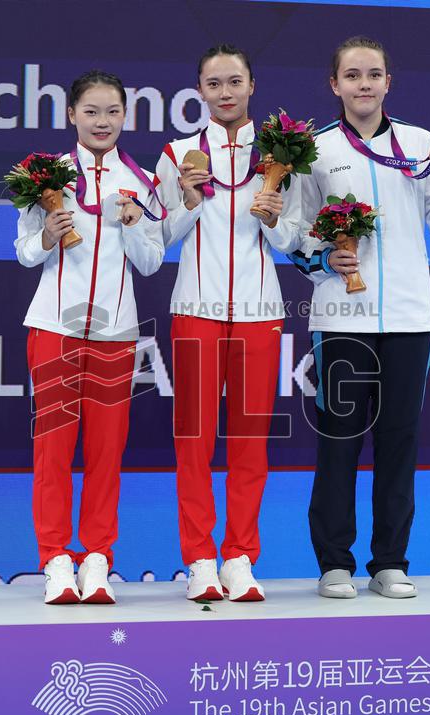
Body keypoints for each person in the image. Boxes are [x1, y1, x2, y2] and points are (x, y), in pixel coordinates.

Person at [288, 36, 430, 599]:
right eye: (352, 75)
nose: (363, 84)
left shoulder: (420, 144)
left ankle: (390, 560)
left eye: (374, 74)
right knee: (339, 440)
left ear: (389, 82)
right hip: (342, 315)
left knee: (399, 440)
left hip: (410, 317)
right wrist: (324, 258)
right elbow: (294, 234)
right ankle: (334, 563)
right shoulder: (314, 151)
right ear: (334, 84)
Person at [15, 70, 165, 605]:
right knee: (53, 450)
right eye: (92, 112)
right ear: (72, 116)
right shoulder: (44, 176)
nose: (102, 122)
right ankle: (55, 559)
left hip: (116, 333)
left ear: (126, 117)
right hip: (54, 327)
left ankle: (97, 558)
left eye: (113, 113)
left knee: (106, 451)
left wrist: (129, 224)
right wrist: (45, 238)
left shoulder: (143, 181)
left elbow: (150, 263)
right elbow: (24, 252)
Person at [154, 44, 297, 602]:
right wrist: (187, 203)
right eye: (213, 84)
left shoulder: (284, 152)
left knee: (249, 440)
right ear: (199, 91)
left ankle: (240, 556)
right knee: (192, 441)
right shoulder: (176, 154)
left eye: (234, 81)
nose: (225, 92)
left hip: (261, 312)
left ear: (252, 86)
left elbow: (297, 236)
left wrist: (277, 219)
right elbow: (160, 236)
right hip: (195, 311)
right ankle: (198, 560)